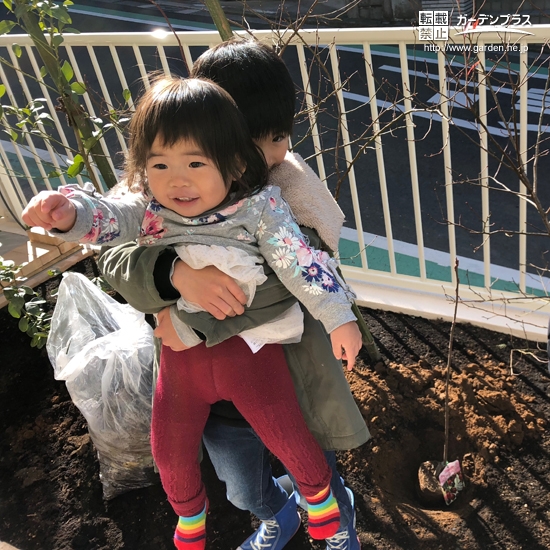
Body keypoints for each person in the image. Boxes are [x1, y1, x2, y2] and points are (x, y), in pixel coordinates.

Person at [22, 76, 364, 550]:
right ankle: (196, 515)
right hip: (184, 366)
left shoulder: (261, 207)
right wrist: (69, 213)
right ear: (144, 168)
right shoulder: (149, 207)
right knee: (176, 449)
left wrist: (337, 315)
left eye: (196, 163)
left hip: (252, 353)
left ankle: (326, 510)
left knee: (288, 431)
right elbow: (106, 218)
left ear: (234, 162)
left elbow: (299, 262)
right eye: (160, 164)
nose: (177, 180)